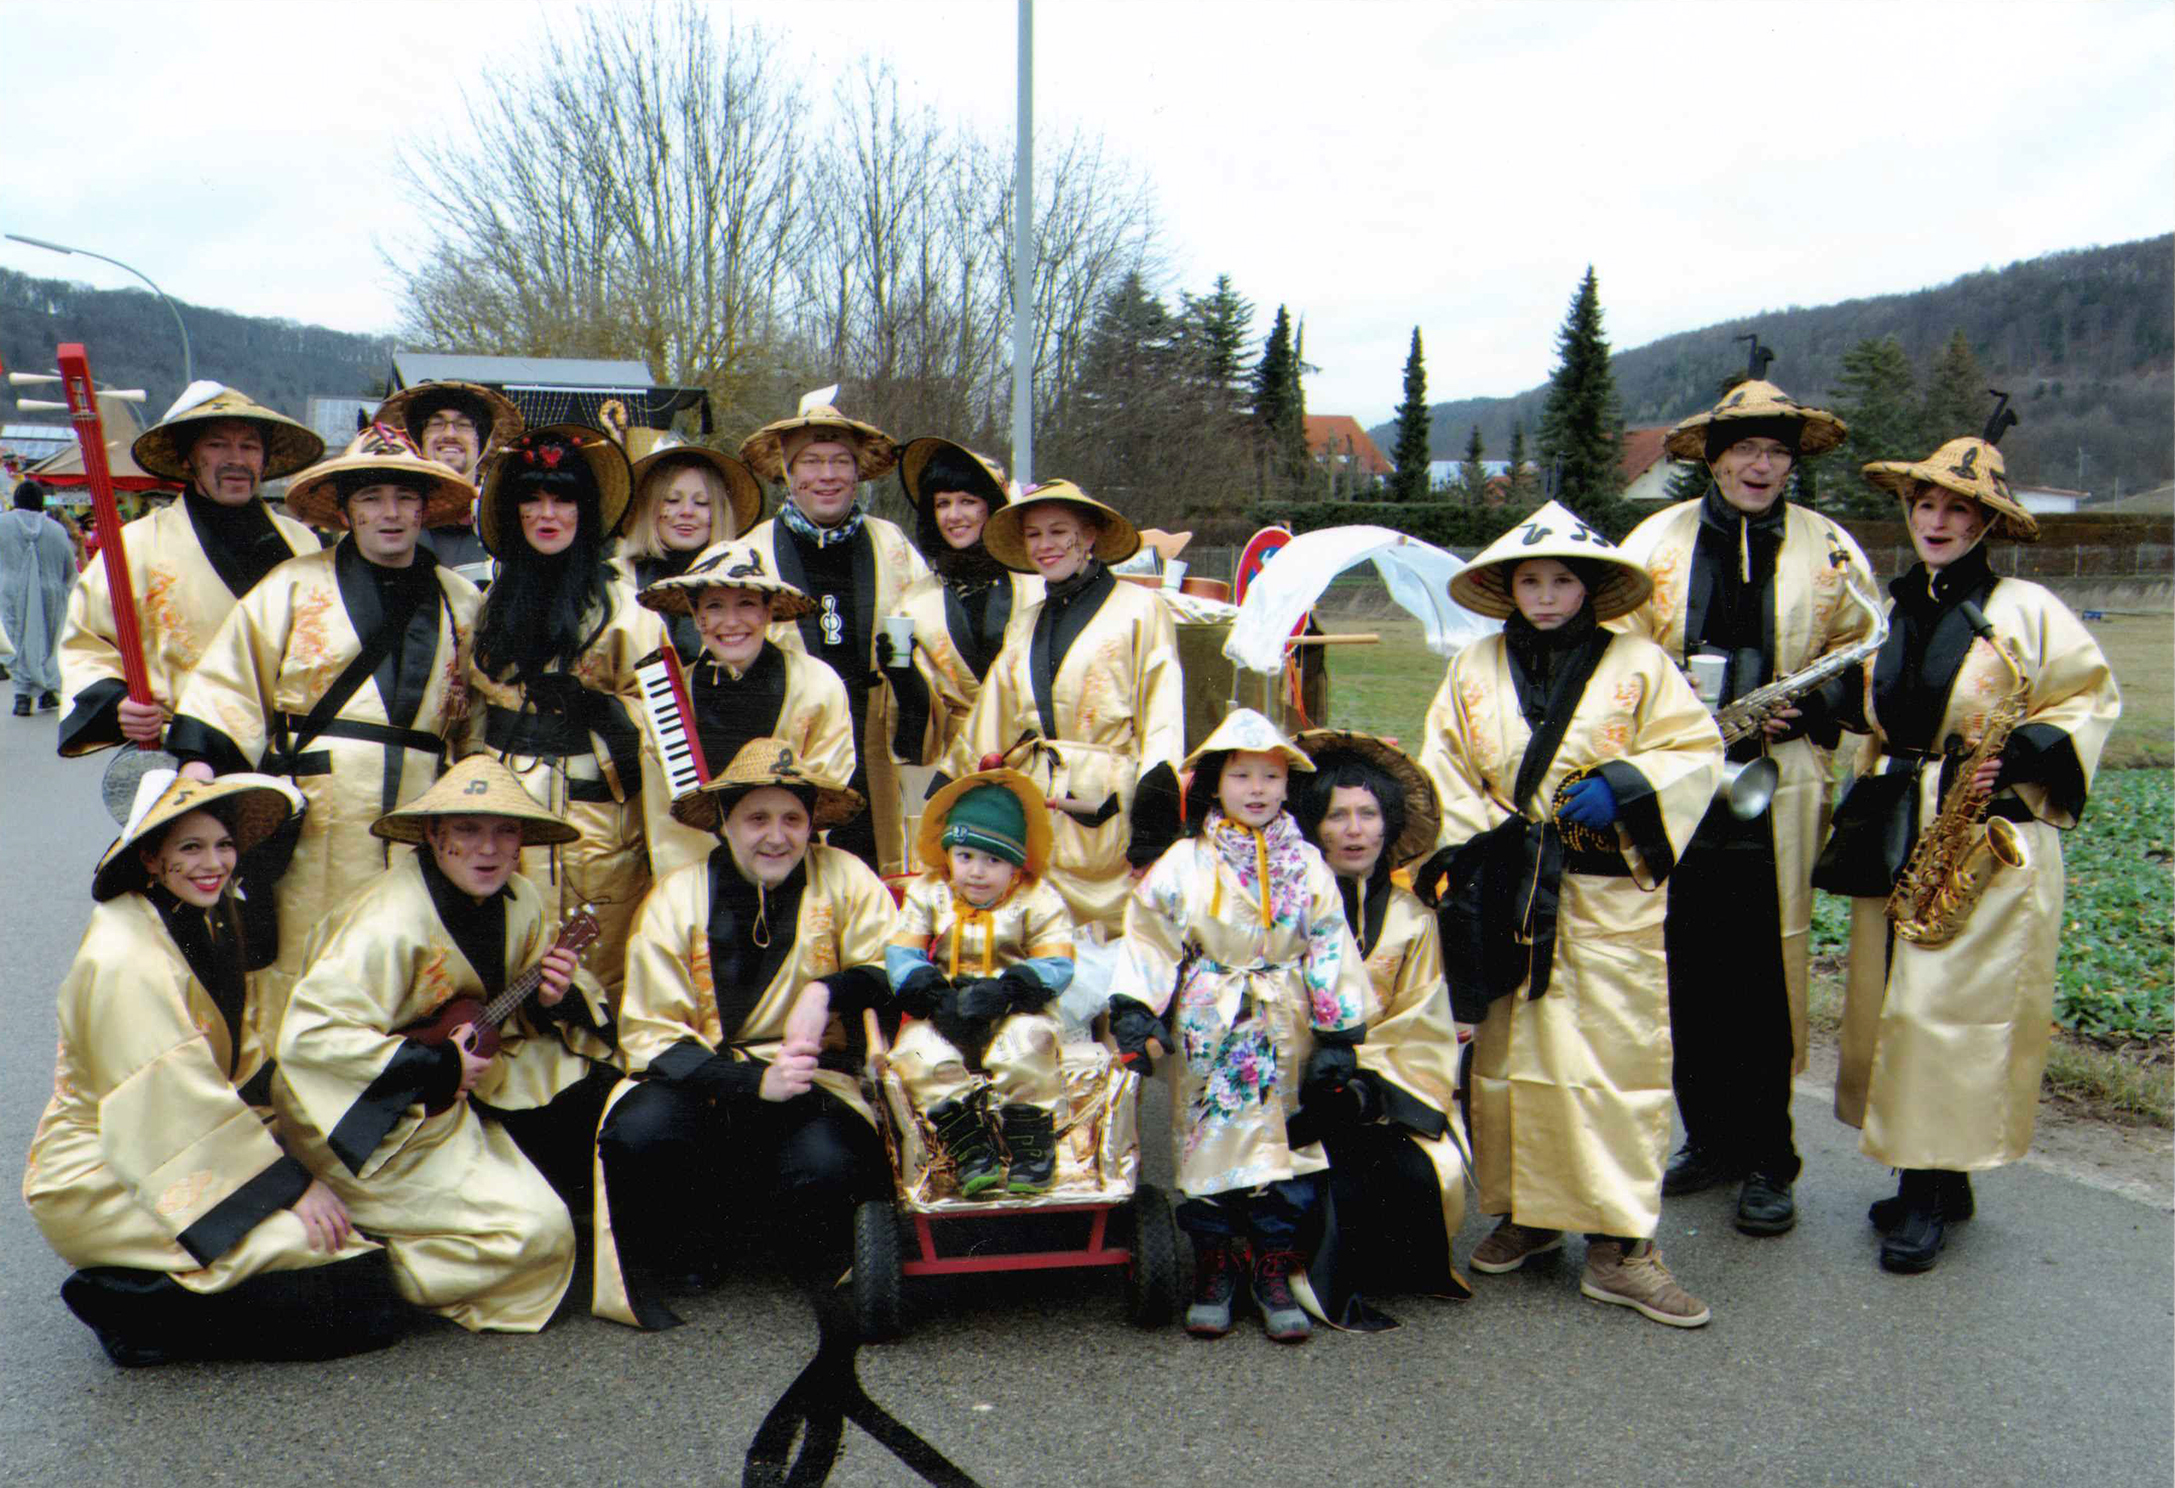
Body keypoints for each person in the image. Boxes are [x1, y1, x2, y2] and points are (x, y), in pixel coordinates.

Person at [1826, 411, 2119, 1273]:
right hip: (1900, 825)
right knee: (1898, 1004)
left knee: (1944, 1013)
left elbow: (2088, 701)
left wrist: (2021, 754)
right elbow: (1878, 703)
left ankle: (1925, 1195)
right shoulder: (1891, 607)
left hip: (1986, 833)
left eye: (1958, 510)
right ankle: (1939, 1179)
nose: (1938, 521)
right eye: (1925, 503)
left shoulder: (2025, 609)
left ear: (1986, 523)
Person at [1417, 501, 1722, 1328]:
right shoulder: (1472, 665)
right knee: (1508, 1059)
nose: (1545, 595)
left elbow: (1695, 750)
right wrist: (1483, 851)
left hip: (1605, 892)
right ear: (1507, 587)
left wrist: (1626, 785)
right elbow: (1440, 764)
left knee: (1613, 1062)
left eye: (1561, 580)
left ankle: (1623, 1244)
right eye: (1529, 580)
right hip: (1505, 884)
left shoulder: (1638, 664)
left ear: (1589, 587)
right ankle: (1531, 1212)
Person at [25, 770, 406, 1367]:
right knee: (326, 1262)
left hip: (180, 1140)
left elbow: (244, 1060)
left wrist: (308, 1146)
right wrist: (290, 1186)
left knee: (354, 1249)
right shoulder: (124, 955)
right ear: (151, 858)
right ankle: (131, 1304)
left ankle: (164, 1297)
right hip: (108, 1167)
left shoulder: (200, 918)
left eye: (224, 845)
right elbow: (170, 1101)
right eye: (190, 848)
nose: (215, 863)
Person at [1616, 371, 1876, 1236]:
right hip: (1683, 781)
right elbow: (1616, 660)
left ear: (1789, 465)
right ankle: (1712, 1139)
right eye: (1744, 451)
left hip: (1782, 778)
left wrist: (1825, 704)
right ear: (1714, 461)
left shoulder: (1829, 548)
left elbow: (1862, 654)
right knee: (1683, 965)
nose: (1759, 466)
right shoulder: (1653, 541)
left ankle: (1771, 1157)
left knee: (1766, 976)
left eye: (1774, 452)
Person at [272, 756, 615, 1332]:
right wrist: (433, 1064)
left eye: (506, 830)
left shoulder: (522, 900)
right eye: (467, 829)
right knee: (537, 1234)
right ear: (433, 834)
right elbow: (310, 1038)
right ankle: (366, 1277)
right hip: (358, 1111)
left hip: (450, 1087)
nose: (489, 849)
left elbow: (540, 986)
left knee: (603, 1088)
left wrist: (556, 997)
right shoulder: (388, 922)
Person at [165, 426, 483, 1011]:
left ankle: (406, 1081)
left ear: (424, 507)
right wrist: (196, 778)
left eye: (405, 499)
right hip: (316, 809)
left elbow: (475, 720)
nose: (390, 514)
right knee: (306, 955)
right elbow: (229, 685)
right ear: (345, 510)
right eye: (370, 499)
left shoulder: (461, 601)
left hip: (424, 809)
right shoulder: (290, 586)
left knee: (412, 957)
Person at [591, 739, 897, 1329]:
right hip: (702, 1076)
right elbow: (650, 1033)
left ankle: (790, 1247)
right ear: (725, 822)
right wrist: (753, 1080)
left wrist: (825, 990)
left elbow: (892, 968)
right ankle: (686, 1249)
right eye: (757, 818)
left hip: (811, 1076)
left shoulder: (845, 877)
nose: (776, 836)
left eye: (793, 818)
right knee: (638, 1133)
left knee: (830, 1164)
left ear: (812, 826)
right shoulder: (676, 895)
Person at [1105, 709, 1370, 1345]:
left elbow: (1329, 940)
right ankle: (1215, 1265)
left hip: (1287, 1013)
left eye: (1271, 776)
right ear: (1216, 785)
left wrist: (1338, 1036)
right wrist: (1137, 1008)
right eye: (1242, 775)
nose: (1257, 789)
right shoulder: (1184, 861)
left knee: (1285, 1139)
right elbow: (1151, 934)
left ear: (1287, 785)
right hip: (1210, 1013)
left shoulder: (1306, 862)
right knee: (1205, 1136)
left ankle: (1274, 1265)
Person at [460, 424, 662, 1001]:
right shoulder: (488, 604)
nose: (547, 514)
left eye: (563, 499)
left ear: (587, 510)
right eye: (532, 498)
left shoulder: (628, 610)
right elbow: (467, 714)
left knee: (596, 970)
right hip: (504, 812)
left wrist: (599, 712)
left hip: (593, 821)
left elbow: (666, 723)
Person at [1287, 729, 1472, 1330]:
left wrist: (1365, 1085)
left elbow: (1423, 1020)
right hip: (1297, 1090)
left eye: (1368, 814)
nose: (1354, 830)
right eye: (1337, 815)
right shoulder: (1281, 908)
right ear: (1312, 825)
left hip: (1382, 1094)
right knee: (1323, 1174)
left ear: (1388, 826)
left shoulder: (1413, 919)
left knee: (1419, 1169)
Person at [952, 481, 1185, 935]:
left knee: (1120, 935)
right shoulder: (1024, 622)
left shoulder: (1141, 609)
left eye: (1059, 531)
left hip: (1108, 805)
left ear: (1090, 535)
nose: (1045, 545)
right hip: (1037, 804)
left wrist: (1155, 812)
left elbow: (1162, 712)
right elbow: (993, 715)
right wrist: (957, 784)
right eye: (1034, 535)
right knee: (1040, 936)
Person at [56, 383, 322, 757]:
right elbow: (88, 641)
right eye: (217, 445)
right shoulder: (135, 545)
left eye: (249, 446)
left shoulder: (303, 545)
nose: (237, 459)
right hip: (181, 748)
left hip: (289, 751)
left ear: (264, 460)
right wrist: (116, 702)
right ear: (188, 459)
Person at [737, 389, 929, 873]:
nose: (827, 476)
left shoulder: (894, 546)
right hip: (789, 751)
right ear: (788, 472)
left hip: (876, 745)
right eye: (812, 462)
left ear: (858, 473)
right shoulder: (749, 555)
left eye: (841, 462)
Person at [885, 769, 1075, 1197]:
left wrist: (1011, 990)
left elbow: (1058, 961)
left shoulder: (1038, 898)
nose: (976, 871)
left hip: (1013, 1007)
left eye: (994, 860)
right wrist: (932, 996)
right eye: (966, 855)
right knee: (916, 1052)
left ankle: (1031, 1146)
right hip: (947, 1006)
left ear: (1015, 867)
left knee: (1030, 1043)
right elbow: (902, 952)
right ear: (948, 853)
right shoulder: (928, 891)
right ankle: (970, 1145)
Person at [633, 537, 855, 878]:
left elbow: (826, 791)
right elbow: (667, 821)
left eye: (747, 604)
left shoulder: (817, 684)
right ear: (696, 615)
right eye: (715, 606)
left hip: (792, 861)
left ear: (768, 611)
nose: (731, 622)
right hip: (700, 873)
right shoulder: (669, 700)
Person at [879, 438, 1041, 765]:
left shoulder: (1037, 586)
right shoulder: (913, 603)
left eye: (967, 501)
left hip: (1035, 759)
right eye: (942, 503)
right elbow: (912, 742)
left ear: (992, 507)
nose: (954, 516)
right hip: (956, 765)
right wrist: (904, 678)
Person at [609, 430, 764, 663]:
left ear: (720, 513)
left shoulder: (750, 583)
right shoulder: (616, 581)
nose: (687, 512)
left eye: (702, 503)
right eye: (671, 500)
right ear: (649, 507)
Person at [374, 380, 525, 570]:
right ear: (418, 441)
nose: (449, 434)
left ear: (484, 443)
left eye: (464, 424)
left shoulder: (507, 522)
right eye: (436, 424)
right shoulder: (387, 519)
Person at [2, 478, 75, 715]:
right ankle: (46, 692)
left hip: (11, 592)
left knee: (18, 642)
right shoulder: (56, 530)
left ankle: (23, 696)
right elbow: (69, 570)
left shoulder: (2, 524)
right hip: (51, 593)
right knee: (47, 642)